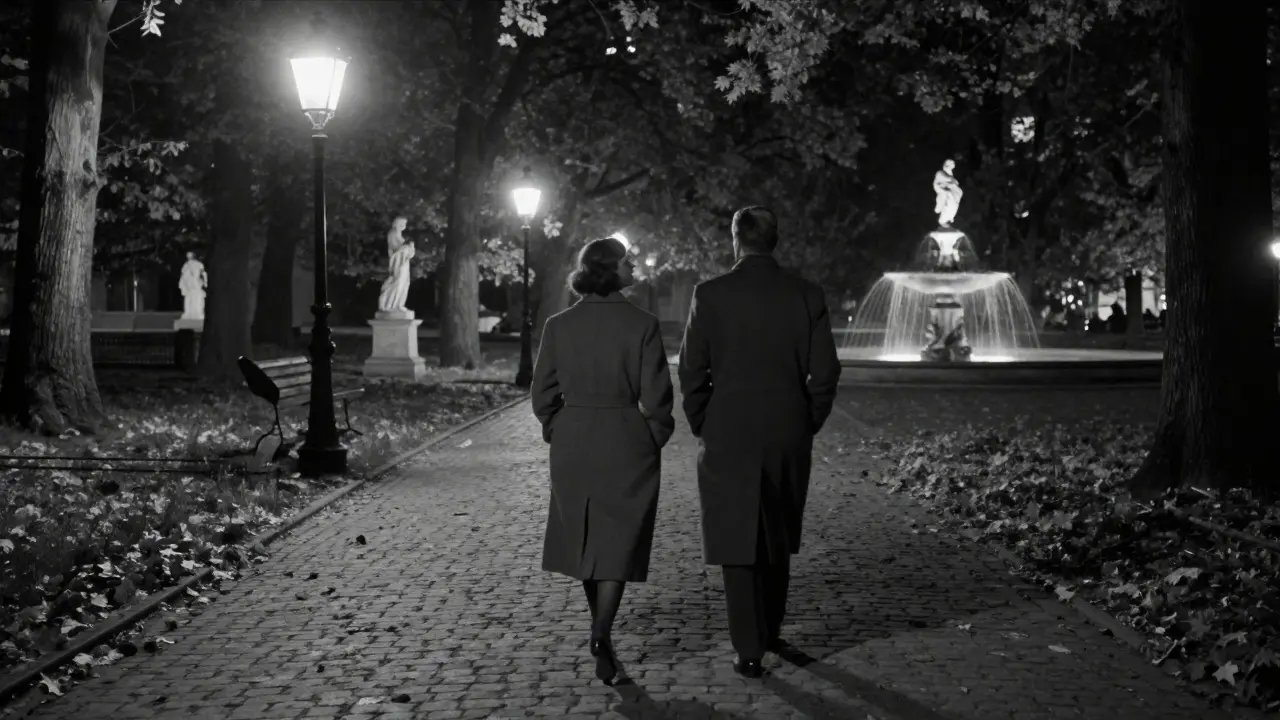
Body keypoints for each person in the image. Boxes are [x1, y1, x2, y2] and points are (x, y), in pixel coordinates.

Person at [678, 206, 841, 679]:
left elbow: (691, 369)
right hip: (787, 427)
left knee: (736, 535)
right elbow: (826, 370)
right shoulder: (806, 294)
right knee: (778, 530)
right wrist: (808, 418)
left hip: (728, 428)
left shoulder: (709, 295)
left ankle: (749, 645)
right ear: (775, 240)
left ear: (736, 240)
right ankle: (769, 627)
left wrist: (702, 419)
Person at [530, 236, 675, 685]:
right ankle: (601, 633)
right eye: (628, 261)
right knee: (618, 538)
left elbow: (542, 394)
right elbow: (658, 396)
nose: (635, 266)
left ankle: (603, 637)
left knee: (587, 536)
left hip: (573, 439)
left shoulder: (558, 325)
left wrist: (557, 426)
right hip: (625, 437)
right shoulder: (644, 324)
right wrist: (653, 435)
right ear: (610, 270)